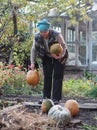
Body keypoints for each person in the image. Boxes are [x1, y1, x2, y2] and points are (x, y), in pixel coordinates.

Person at [30, 19, 68, 104]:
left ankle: (56, 99)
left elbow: (63, 45)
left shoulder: (56, 34)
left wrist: (60, 56)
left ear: (48, 30)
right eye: (41, 32)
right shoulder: (37, 37)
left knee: (57, 76)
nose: (43, 33)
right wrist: (32, 62)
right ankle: (46, 99)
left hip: (60, 55)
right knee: (47, 76)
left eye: (45, 32)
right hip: (46, 56)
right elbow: (34, 50)